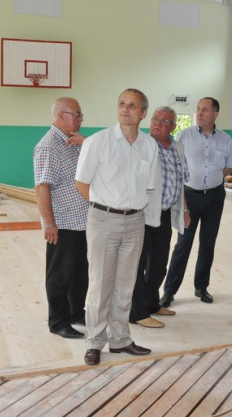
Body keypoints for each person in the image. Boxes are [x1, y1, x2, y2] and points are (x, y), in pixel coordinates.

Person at [75, 89, 158, 366]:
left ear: (143, 113)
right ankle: (94, 341)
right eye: (122, 104)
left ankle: (120, 339)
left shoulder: (149, 146)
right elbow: (81, 183)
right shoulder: (98, 142)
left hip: (135, 221)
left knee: (125, 285)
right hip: (103, 219)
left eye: (132, 105)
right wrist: (104, 208)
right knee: (100, 285)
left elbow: (149, 187)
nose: (125, 109)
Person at [160, 97, 232, 308]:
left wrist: (212, 179)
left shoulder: (225, 139)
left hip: (214, 197)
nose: (200, 113)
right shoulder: (184, 135)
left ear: (215, 113)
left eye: (205, 109)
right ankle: (169, 291)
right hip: (190, 197)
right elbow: (176, 165)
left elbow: (229, 166)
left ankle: (201, 287)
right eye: (198, 109)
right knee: (183, 244)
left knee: (208, 243)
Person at [130, 106, 191, 328]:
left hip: (164, 214)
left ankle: (151, 304)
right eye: (155, 119)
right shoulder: (142, 145)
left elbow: (182, 182)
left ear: (173, 127)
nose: (157, 123)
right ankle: (136, 312)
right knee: (138, 265)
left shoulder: (178, 148)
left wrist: (185, 210)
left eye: (164, 121)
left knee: (158, 264)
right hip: (143, 214)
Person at [33, 97, 89, 339]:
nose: (81, 118)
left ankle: (75, 312)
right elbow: (42, 187)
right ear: (61, 116)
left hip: (82, 222)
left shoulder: (73, 141)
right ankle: (58, 322)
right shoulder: (49, 146)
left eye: (80, 114)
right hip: (63, 224)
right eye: (77, 114)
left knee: (80, 273)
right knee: (60, 276)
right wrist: (49, 223)